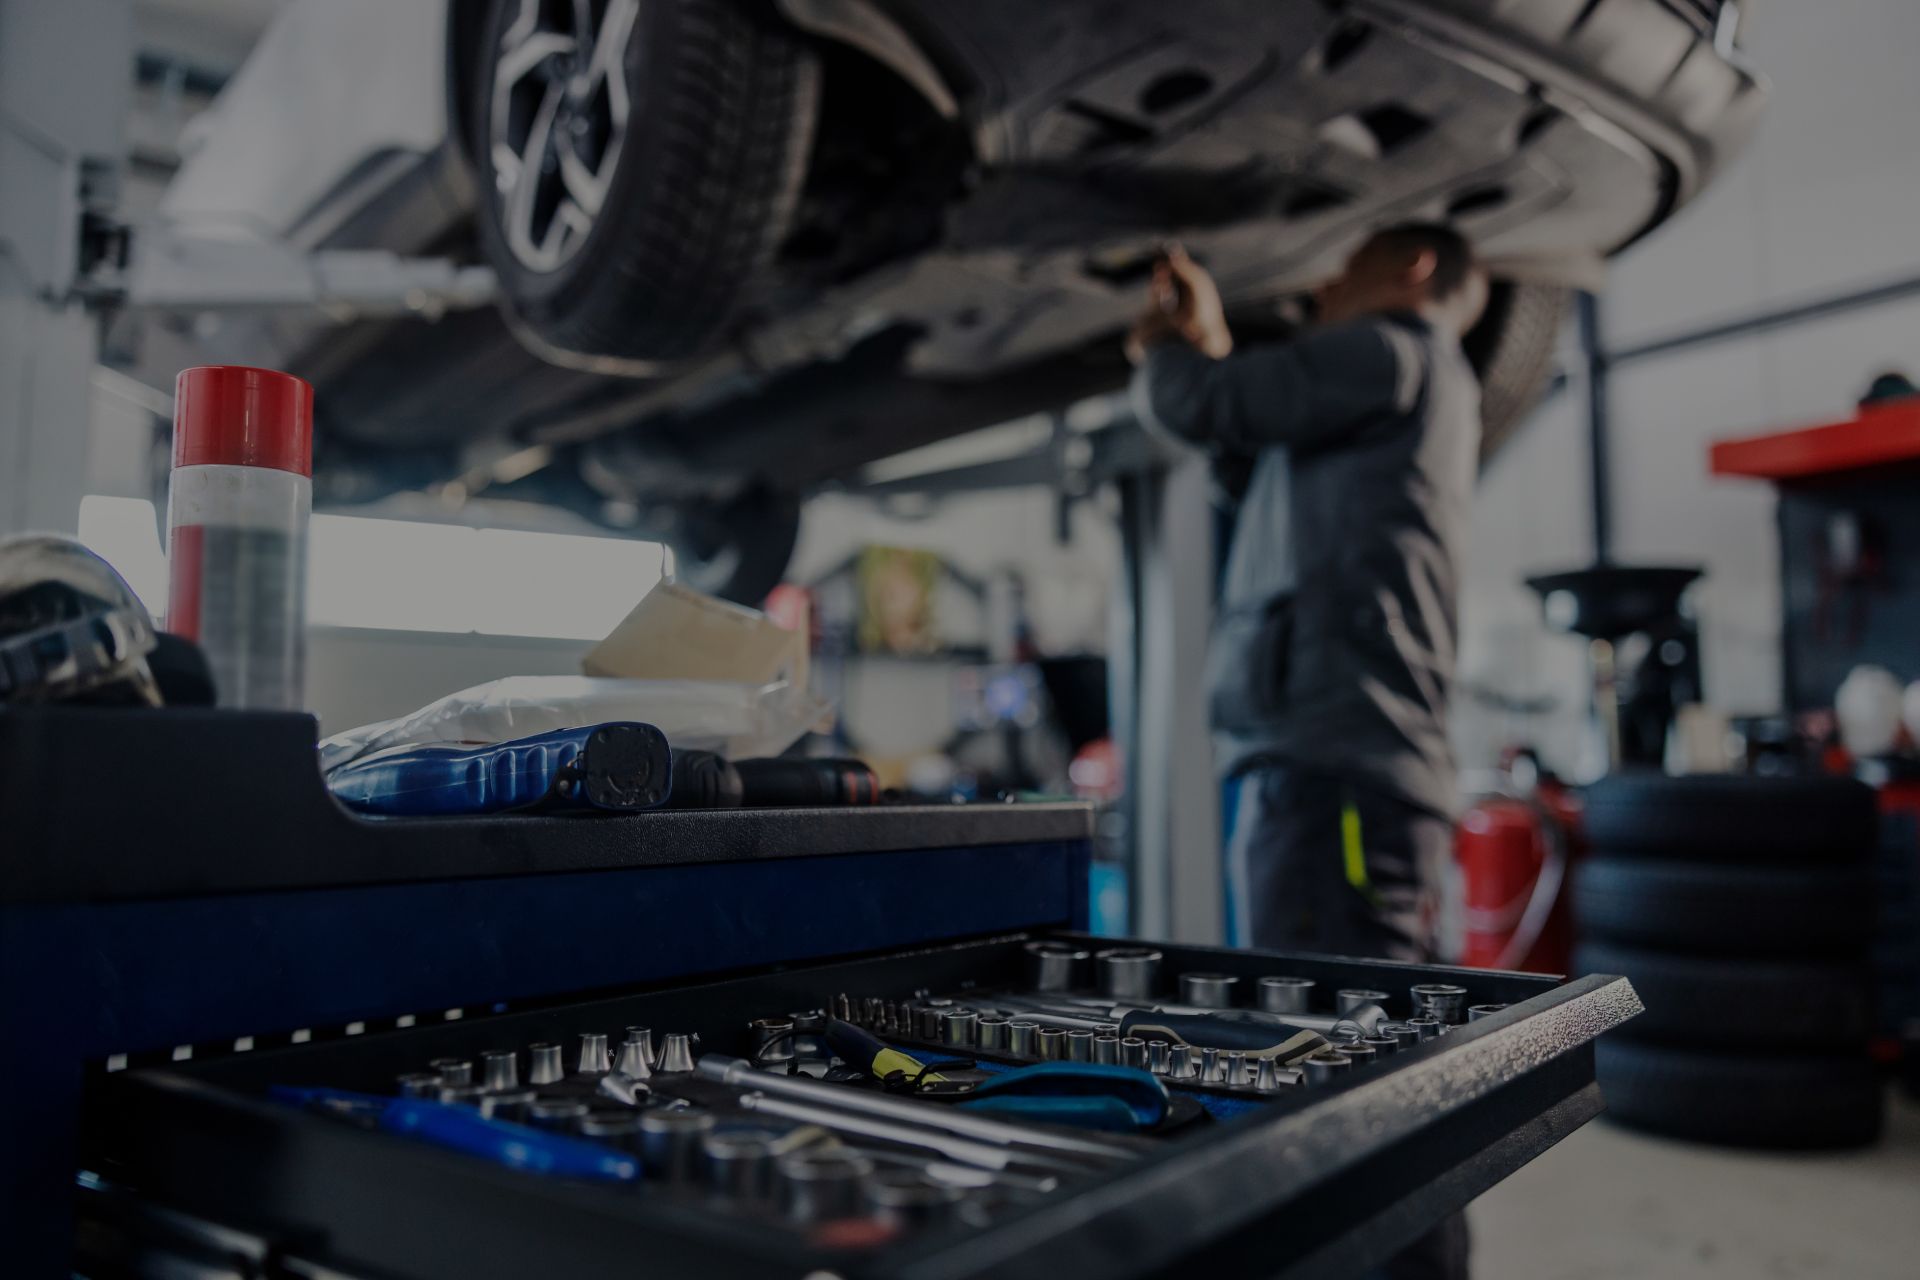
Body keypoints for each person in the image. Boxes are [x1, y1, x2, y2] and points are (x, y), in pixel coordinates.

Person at [1128, 224, 1488, 1278]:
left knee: (1338, 1061)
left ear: (1415, 269)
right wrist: (1208, 355)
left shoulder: (1392, 347)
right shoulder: (1399, 386)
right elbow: (1243, 441)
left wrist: (1169, 348)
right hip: (1343, 766)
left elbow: (1207, 404)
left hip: (1336, 769)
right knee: (1363, 1053)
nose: (1325, 284)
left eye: (1349, 263)